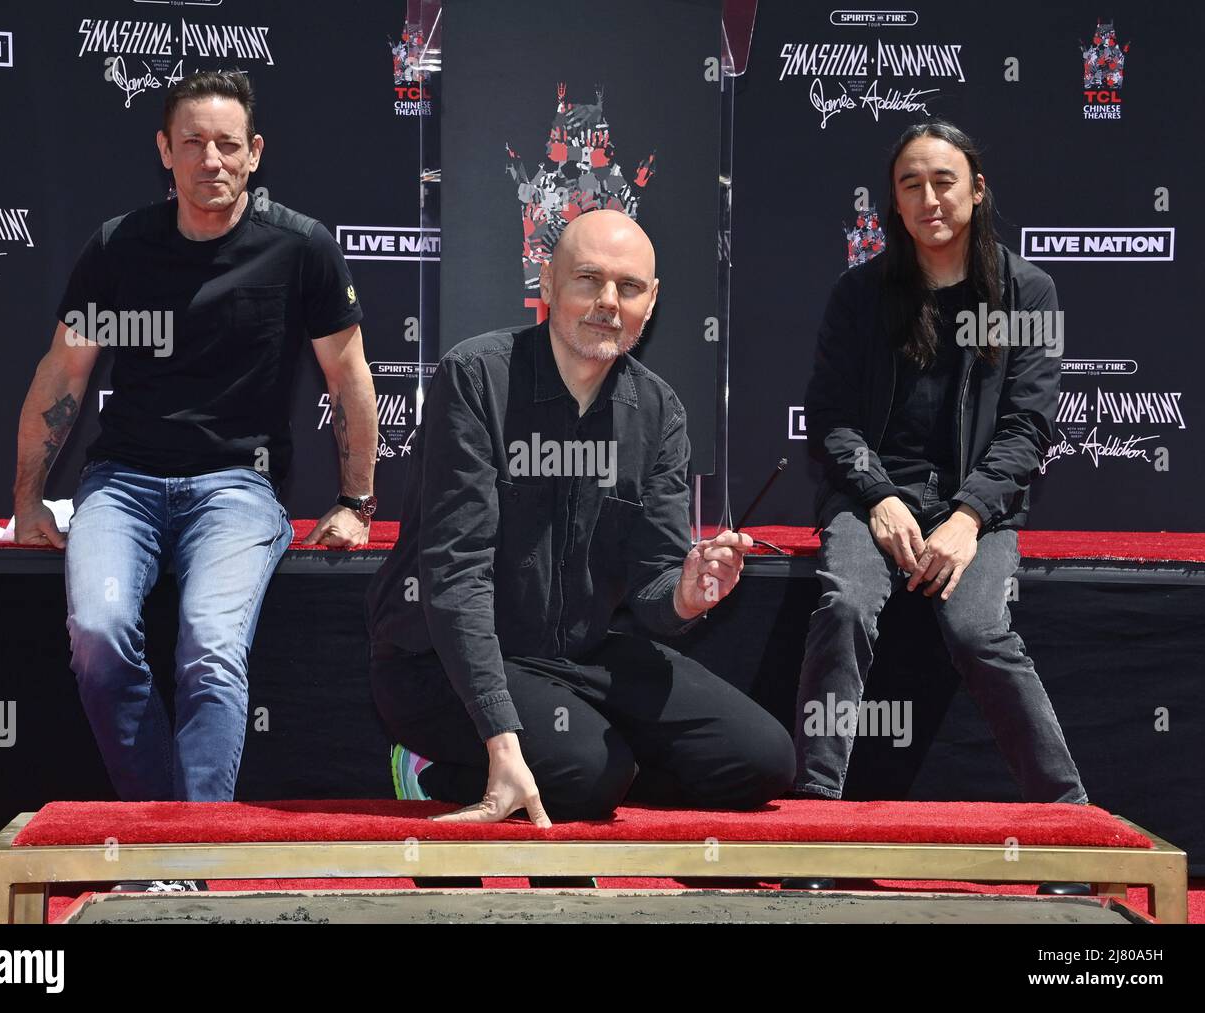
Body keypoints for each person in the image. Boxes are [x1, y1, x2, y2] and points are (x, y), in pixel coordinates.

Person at [12, 72, 379, 821]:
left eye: (227, 144)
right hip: (122, 482)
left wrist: (355, 501)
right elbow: (64, 373)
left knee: (211, 645)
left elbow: (348, 378)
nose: (210, 159)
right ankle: (168, 838)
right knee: (99, 632)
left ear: (254, 154)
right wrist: (24, 498)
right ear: (164, 151)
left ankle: (187, 847)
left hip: (238, 489)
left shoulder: (301, 248)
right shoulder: (118, 246)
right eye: (193, 143)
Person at [367, 209, 793, 826]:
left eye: (629, 287)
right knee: (588, 777)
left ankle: (591, 766)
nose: (608, 303)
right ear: (546, 283)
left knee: (762, 760)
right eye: (587, 279)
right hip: (438, 660)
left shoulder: (658, 411)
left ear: (652, 300)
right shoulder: (476, 378)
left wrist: (686, 592)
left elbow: (652, 587)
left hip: (577, 657)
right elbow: (455, 576)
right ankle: (437, 766)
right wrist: (500, 735)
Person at [794, 121, 1088, 815]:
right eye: (911, 185)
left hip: (975, 507)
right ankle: (813, 809)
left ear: (978, 190)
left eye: (944, 181)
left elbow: (1028, 426)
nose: (929, 198)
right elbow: (831, 420)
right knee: (843, 605)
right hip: (871, 501)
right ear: (894, 204)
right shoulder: (858, 295)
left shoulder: (1028, 292)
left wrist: (969, 515)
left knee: (980, 631)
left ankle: (1067, 813)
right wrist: (876, 495)